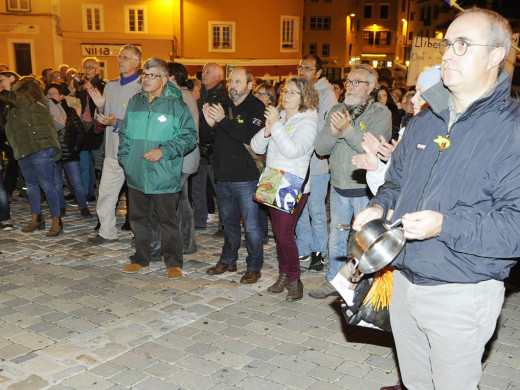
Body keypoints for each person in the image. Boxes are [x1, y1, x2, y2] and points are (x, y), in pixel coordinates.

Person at [353, 8, 518, 390]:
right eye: (447, 44)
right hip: (405, 280)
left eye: (463, 45)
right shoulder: (426, 118)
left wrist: (446, 224)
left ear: (495, 55)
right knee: (414, 384)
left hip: (461, 291)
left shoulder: (511, 131)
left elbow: (515, 225)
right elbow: (395, 182)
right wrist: (379, 205)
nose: (447, 54)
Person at [310, 64, 391, 299]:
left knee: (365, 241)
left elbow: (372, 150)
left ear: (371, 87)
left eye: (357, 82)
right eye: (349, 81)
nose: (351, 86)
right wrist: (334, 131)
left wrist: (346, 129)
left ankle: (358, 285)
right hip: (338, 187)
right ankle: (334, 281)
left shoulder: (380, 113)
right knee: (336, 238)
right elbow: (320, 148)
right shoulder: (337, 108)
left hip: (364, 191)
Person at [119, 57, 196, 279]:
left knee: (168, 222)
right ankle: (141, 259)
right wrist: (126, 159)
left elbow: (190, 137)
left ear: (163, 79)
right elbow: (124, 134)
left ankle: (173, 262)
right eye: (144, 74)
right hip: (136, 174)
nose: (146, 79)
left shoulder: (177, 105)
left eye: (152, 75)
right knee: (138, 221)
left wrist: (164, 151)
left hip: (164, 174)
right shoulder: (135, 102)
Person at [251, 77, 318, 301]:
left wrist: (277, 126)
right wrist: (268, 130)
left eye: (292, 93)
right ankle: (283, 274)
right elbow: (256, 146)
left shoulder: (308, 121)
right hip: (272, 178)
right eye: (285, 91)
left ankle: (295, 280)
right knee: (279, 235)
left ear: (304, 97)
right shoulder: (278, 116)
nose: (286, 96)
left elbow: (292, 150)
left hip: (292, 182)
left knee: (285, 235)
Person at [204, 67, 265, 284]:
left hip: (246, 177)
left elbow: (248, 135)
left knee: (251, 225)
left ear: (250, 85)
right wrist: (208, 123)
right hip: (223, 175)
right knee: (228, 223)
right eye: (231, 81)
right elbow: (207, 136)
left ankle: (254, 265)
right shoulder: (223, 105)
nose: (232, 85)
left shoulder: (257, 107)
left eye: (238, 81)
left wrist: (223, 120)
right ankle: (228, 259)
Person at [87, 44, 141, 244]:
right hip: (112, 149)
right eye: (120, 57)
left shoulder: (142, 86)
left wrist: (116, 122)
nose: (120, 61)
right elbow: (102, 119)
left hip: (134, 151)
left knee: (137, 197)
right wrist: (100, 107)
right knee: (106, 194)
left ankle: (140, 235)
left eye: (125, 57)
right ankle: (107, 232)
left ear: (137, 63)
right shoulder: (110, 86)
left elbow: (143, 120)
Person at [0, 76, 63, 236]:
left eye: (1, 80)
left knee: (46, 184)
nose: (0, 83)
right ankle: (37, 218)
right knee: (31, 185)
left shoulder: (30, 87)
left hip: (40, 144)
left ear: (12, 79)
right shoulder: (9, 101)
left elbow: (20, 100)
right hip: (23, 148)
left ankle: (57, 220)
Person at [295, 54, 338, 271]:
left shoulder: (326, 94)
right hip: (298, 160)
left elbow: (325, 128)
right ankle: (303, 248)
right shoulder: (298, 91)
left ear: (319, 72)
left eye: (308, 68)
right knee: (300, 208)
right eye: (301, 67)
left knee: (316, 210)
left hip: (317, 162)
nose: (303, 71)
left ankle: (318, 252)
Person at [192, 63, 231, 230]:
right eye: (203, 72)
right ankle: (199, 220)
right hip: (200, 149)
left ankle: (225, 224)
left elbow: (223, 126)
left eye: (208, 72)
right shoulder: (201, 97)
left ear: (218, 76)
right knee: (197, 188)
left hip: (217, 151)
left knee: (220, 191)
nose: (204, 75)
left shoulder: (224, 98)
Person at [168, 61, 200, 254]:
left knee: (178, 200)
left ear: (174, 77)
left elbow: (186, 131)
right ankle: (186, 243)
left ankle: (184, 243)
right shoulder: (182, 95)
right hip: (183, 156)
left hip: (184, 156)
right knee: (181, 199)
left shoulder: (183, 96)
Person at [45, 82, 90, 218]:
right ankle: (60, 207)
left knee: (77, 183)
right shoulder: (44, 114)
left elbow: (80, 132)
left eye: (54, 93)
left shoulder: (69, 111)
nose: (51, 95)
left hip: (70, 153)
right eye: (49, 93)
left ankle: (83, 207)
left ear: (61, 96)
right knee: (57, 183)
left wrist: (75, 149)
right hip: (53, 154)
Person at [77, 57, 106, 202]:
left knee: (99, 165)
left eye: (90, 67)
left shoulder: (102, 85)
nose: (87, 70)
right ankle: (87, 194)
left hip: (96, 130)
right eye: (85, 67)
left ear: (97, 70)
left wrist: (92, 89)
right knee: (83, 166)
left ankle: (104, 193)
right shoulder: (80, 86)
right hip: (83, 130)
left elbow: (104, 105)